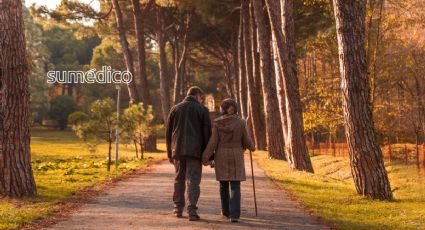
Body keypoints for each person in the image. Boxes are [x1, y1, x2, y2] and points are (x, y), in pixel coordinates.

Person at [202, 98, 255, 223]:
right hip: (236, 154)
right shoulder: (241, 123)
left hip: (221, 155)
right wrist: (252, 147)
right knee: (235, 185)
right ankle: (235, 215)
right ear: (235, 108)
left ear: (222, 109)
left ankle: (226, 212)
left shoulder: (217, 123)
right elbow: (246, 140)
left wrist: (205, 157)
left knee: (223, 184)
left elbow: (213, 142)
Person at [166, 86, 211, 221]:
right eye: (201, 98)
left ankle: (177, 208)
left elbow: (168, 134)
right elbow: (207, 134)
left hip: (178, 151)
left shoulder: (175, 109)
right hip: (195, 152)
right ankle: (192, 210)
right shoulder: (202, 110)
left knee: (179, 179)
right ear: (197, 95)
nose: (201, 100)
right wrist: (209, 155)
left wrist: (170, 153)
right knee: (193, 180)